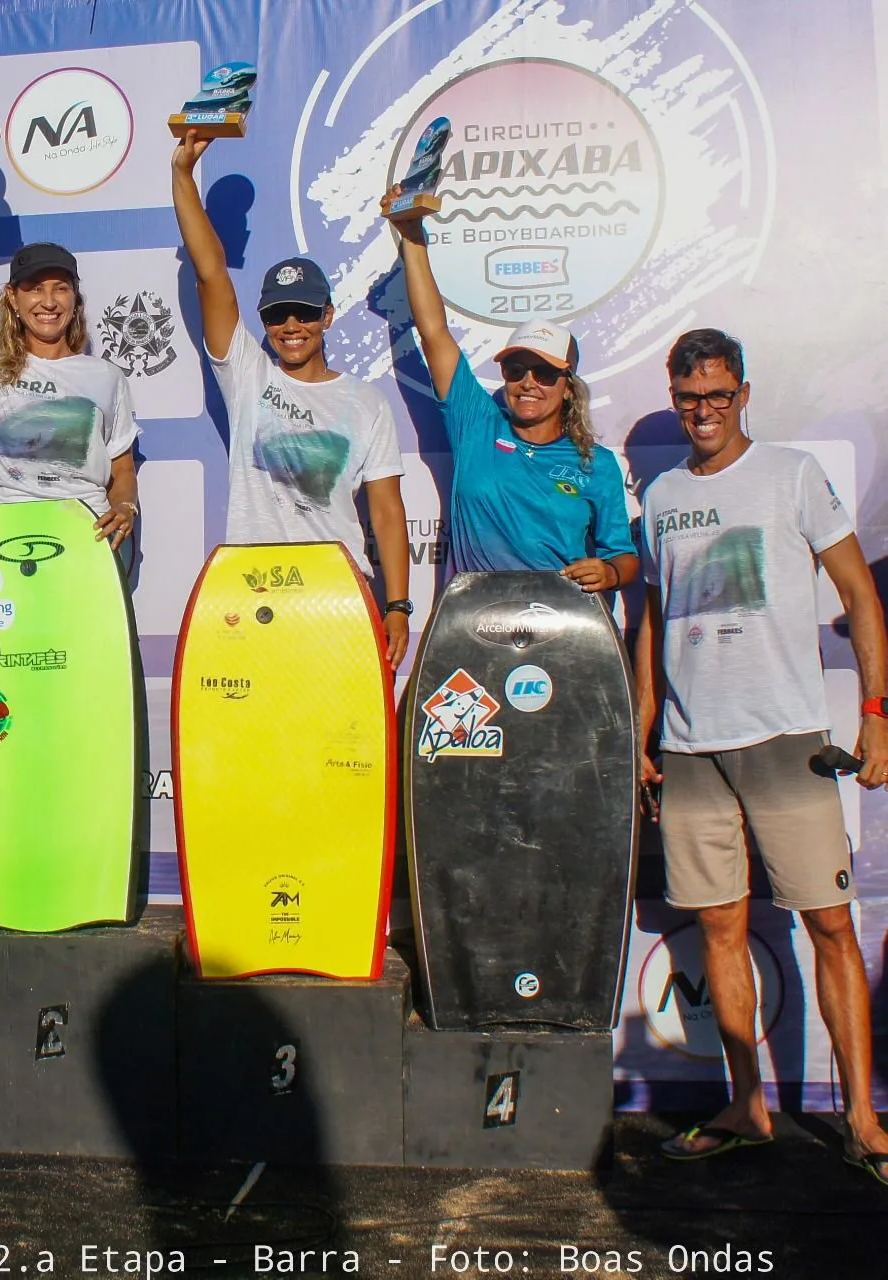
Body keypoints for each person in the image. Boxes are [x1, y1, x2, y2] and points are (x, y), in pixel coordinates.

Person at [635, 328, 888, 1180]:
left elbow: (857, 594)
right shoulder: (661, 494)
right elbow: (652, 618)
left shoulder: (790, 475)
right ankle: (746, 1106)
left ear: (742, 392)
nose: (702, 412)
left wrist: (876, 715)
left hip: (784, 739)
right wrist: (644, 731)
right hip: (689, 745)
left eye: (716, 395)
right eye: (687, 398)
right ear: (673, 397)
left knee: (827, 925)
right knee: (718, 927)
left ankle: (860, 1119)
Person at [174, 132, 412, 668]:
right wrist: (183, 176)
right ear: (262, 322)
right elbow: (211, 272)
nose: (291, 326)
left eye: (304, 312)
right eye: (277, 314)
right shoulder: (248, 376)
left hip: (337, 594)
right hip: (253, 589)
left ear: (327, 316)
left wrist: (396, 603)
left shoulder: (367, 403)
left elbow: (388, 513)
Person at [379, 186, 637, 592]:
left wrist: (610, 572)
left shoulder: (597, 465)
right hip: (475, 614)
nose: (528, 382)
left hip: (558, 620)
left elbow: (622, 555)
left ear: (568, 387)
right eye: (517, 370)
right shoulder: (477, 425)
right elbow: (434, 333)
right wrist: (411, 235)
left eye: (545, 373)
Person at [0, 145, 139, 552]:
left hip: (86, 534)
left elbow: (122, 468)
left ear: (75, 298)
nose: (49, 301)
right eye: (34, 289)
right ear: (13, 299)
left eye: (60, 288)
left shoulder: (106, 377)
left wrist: (125, 505)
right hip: (5, 529)